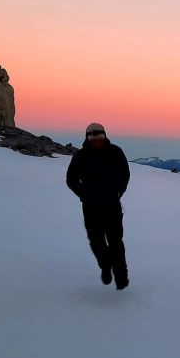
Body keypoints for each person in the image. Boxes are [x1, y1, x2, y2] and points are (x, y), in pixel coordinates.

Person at [65, 123, 131, 289]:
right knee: (96, 241)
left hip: (112, 205)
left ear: (104, 136)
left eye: (99, 138)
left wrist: (118, 192)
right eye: (93, 138)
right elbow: (71, 179)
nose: (96, 141)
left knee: (115, 241)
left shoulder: (115, 152)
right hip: (91, 207)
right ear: (88, 138)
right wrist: (84, 195)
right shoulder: (81, 156)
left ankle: (122, 278)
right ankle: (105, 265)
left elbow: (125, 173)